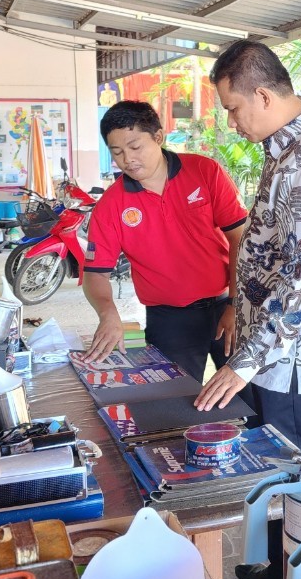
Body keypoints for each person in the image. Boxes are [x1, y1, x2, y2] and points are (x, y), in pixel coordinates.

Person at [194, 39, 301, 579]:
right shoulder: (287, 150)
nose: (232, 122)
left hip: (292, 357)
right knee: (278, 466)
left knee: (300, 470)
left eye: (234, 108)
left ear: (263, 96)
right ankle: (279, 565)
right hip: (277, 351)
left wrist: (244, 362)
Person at [71, 101, 247, 383]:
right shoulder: (111, 205)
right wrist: (108, 313)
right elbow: (95, 273)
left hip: (226, 305)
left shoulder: (205, 172)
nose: (128, 159)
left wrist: (236, 304)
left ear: (158, 137)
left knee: (248, 393)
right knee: (173, 398)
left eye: (135, 147)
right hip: (169, 321)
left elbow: (240, 238)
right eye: (117, 152)